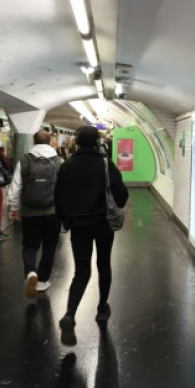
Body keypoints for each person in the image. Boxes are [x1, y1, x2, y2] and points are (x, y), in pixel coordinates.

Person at [54, 125, 128, 331]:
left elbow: (58, 197)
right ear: (98, 142)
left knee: (81, 272)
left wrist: (65, 220)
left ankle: (70, 313)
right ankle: (102, 308)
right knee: (103, 265)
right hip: (103, 224)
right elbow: (121, 196)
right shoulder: (106, 164)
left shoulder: (67, 165)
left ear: (76, 142)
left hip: (79, 226)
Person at [5, 130, 63, 299]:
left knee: (30, 245)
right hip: (53, 213)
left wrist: (13, 209)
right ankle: (43, 280)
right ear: (51, 142)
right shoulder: (58, 161)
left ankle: (30, 272)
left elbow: (15, 187)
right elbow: (64, 189)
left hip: (30, 213)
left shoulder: (24, 160)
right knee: (50, 247)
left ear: (33, 141)